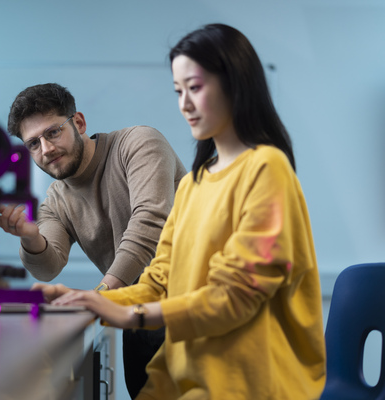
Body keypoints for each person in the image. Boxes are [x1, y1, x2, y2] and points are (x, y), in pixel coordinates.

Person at [40, 24, 327, 399]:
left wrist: (130, 316)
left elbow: (236, 296)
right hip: (190, 376)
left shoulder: (266, 169)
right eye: (178, 91)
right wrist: (90, 301)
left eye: (195, 88)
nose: (184, 104)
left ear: (235, 84)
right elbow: (159, 283)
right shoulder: (194, 184)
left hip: (250, 382)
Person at [0, 83, 187, 398]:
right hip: (138, 316)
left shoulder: (138, 143)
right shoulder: (56, 199)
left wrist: (101, 295)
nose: (46, 150)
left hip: (193, 305)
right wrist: (30, 236)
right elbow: (48, 267)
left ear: (79, 123)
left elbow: (149, 224)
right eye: (33, 143)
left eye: (53, 133)